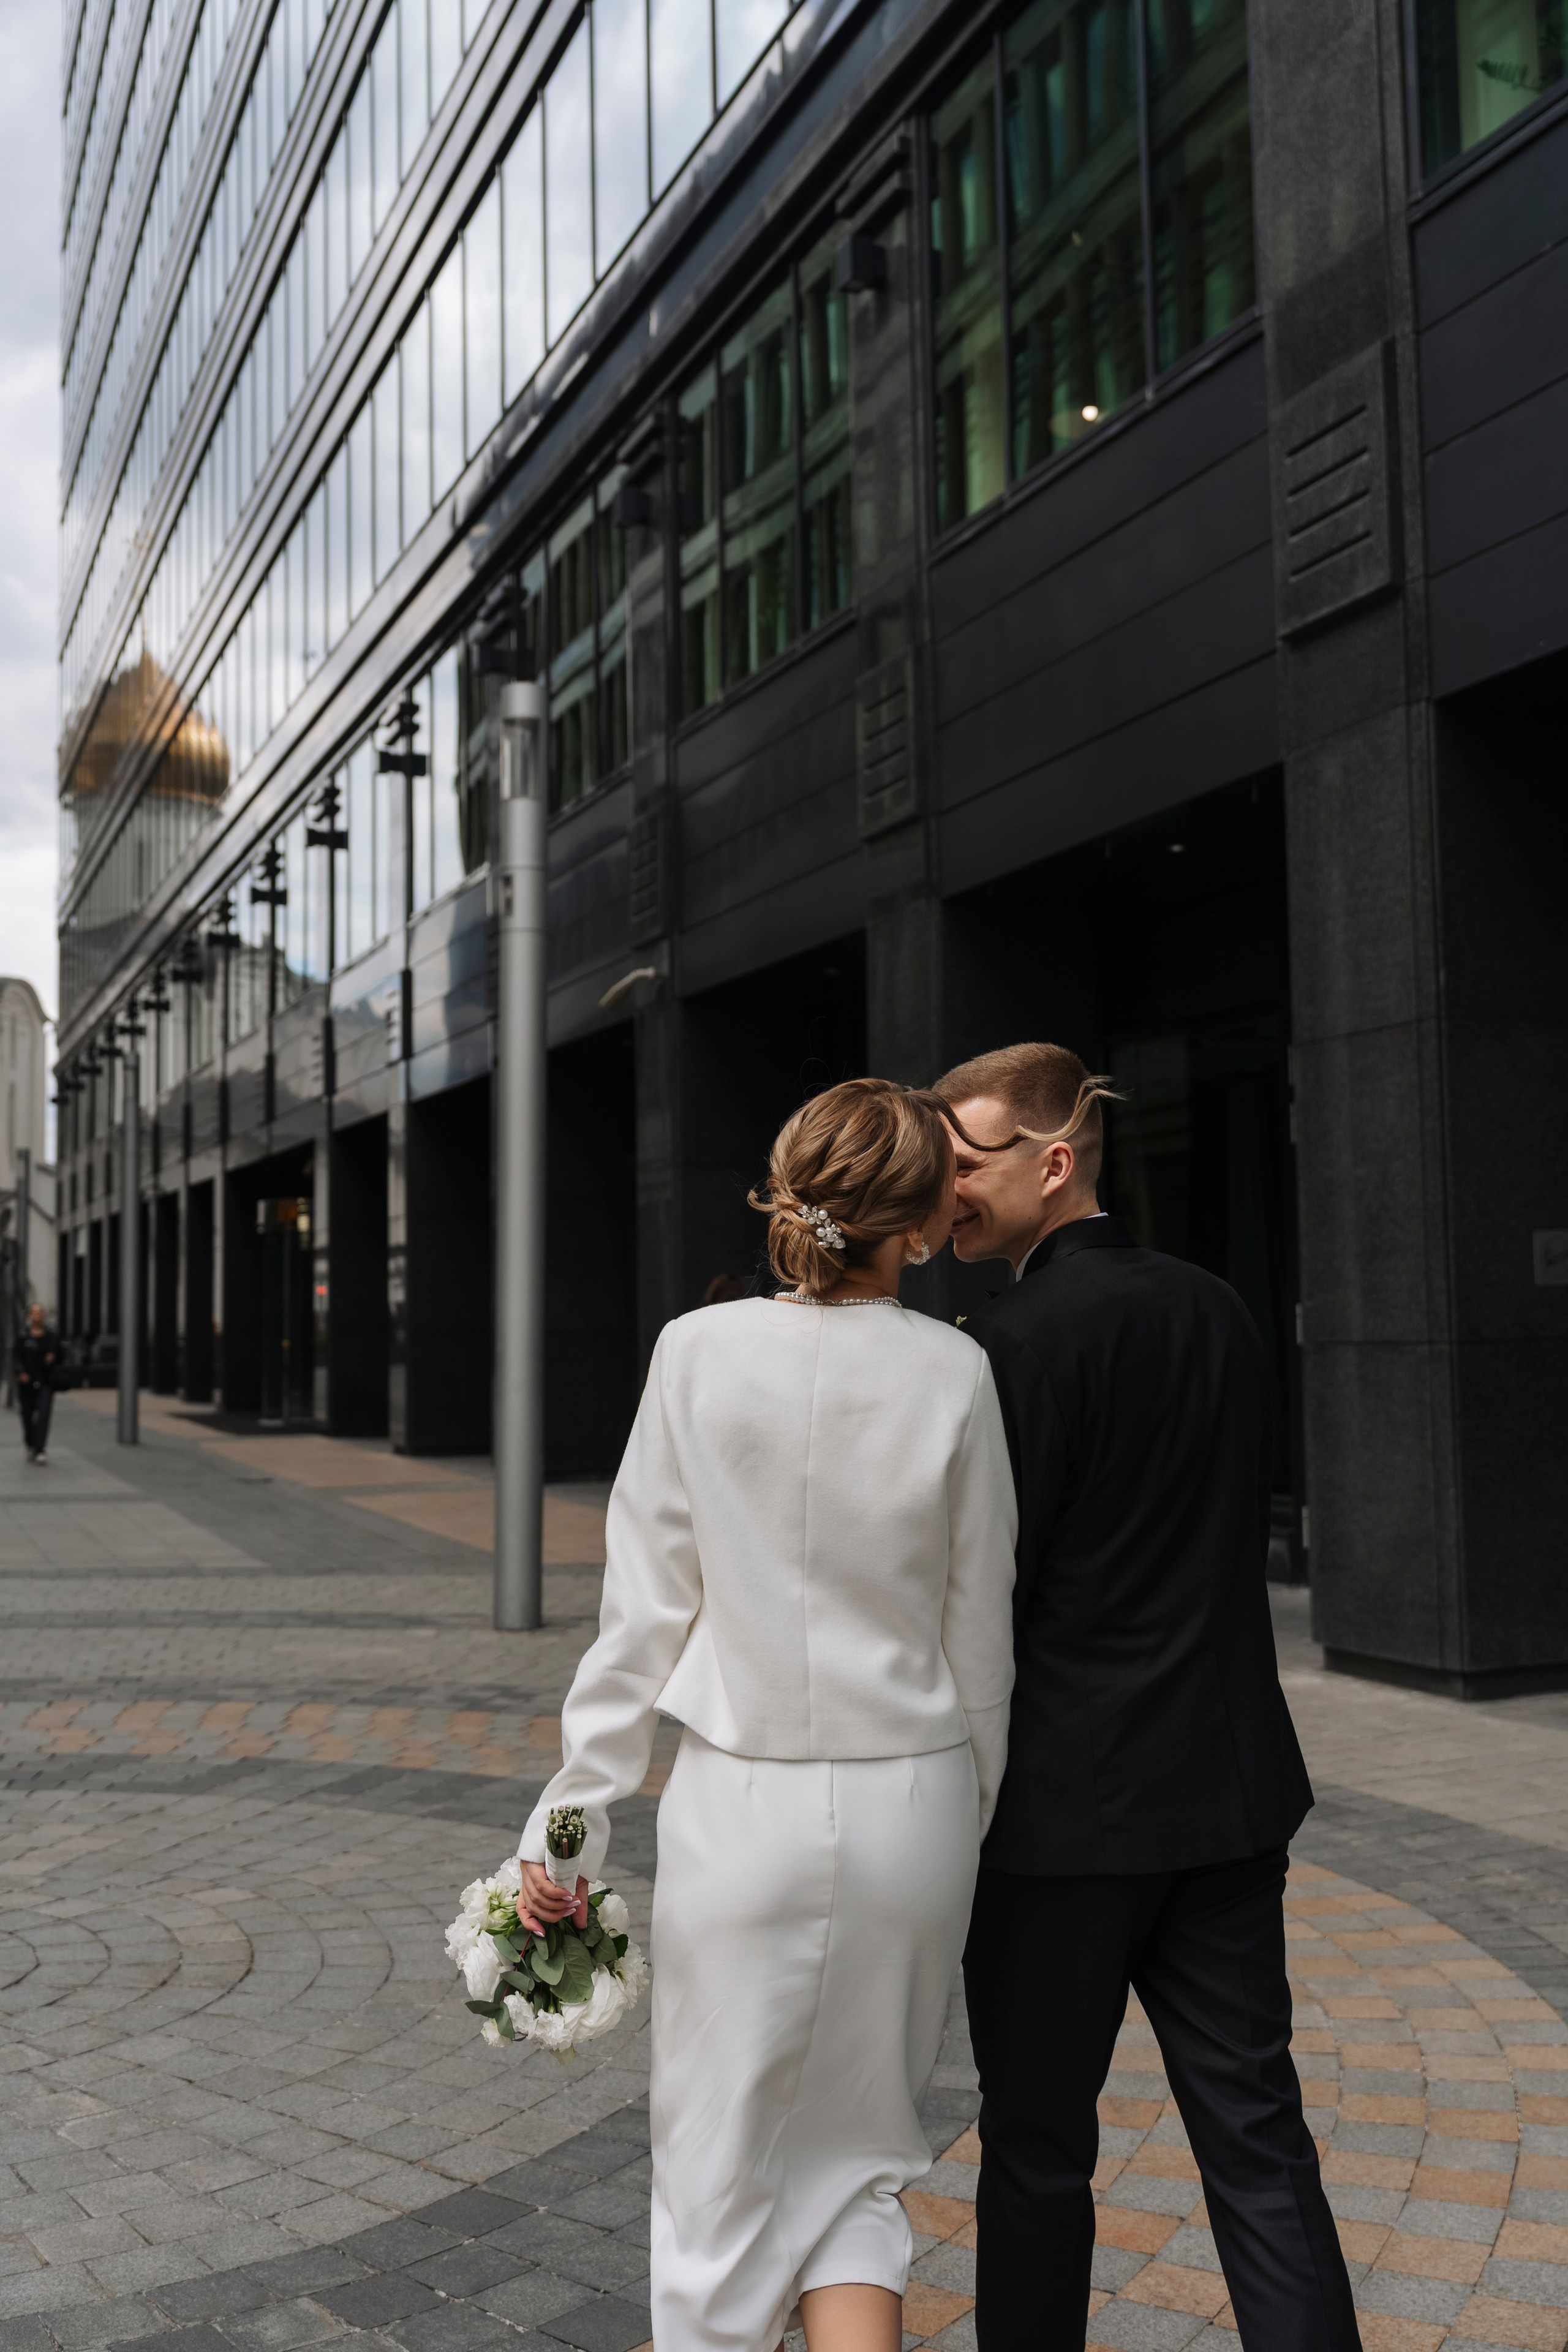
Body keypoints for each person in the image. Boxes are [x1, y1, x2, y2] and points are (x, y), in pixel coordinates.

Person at [516, 1078, 1017, 2352]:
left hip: (744, 1806)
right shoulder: (956, 1371)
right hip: (916, 1801)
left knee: (714, 2191)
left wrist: (564, 1840)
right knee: (859, 2172)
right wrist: (968, 1822)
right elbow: (980, 1642)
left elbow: (638, 1625)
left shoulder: (696, 1352)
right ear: (913, 1227)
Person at [933, 1042, 1358, 2352]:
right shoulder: (1219, 1309)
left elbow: (982, 1595)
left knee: (1038, 2151)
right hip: (1226, 1798)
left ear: (1051, 1163)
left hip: (1061, 1824)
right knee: (1256, 2138)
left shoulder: (994, 1347)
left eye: (963, 1163)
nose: (941, 1189)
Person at [12, 1302, 60, 1464]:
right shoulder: (23, 1336)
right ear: (29, 1316)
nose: (37, 1316)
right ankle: (31, 1443)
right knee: (27, 1416)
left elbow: (61, 1356)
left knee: (44, 1415)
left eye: (40, 1313)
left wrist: (53, 1359)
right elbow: (16, 1357)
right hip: (26, 1383)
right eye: (34, 1312)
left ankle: (40, 1449)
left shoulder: (51, 1336)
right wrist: (21, 1373)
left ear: (43, 1316)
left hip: (45, 1382)